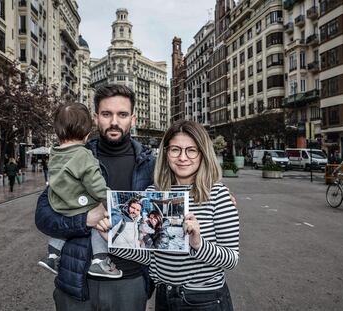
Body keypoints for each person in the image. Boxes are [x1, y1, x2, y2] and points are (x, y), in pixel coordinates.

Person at [35, 84, 155, 311]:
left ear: (133, 118)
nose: (114, 122)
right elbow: (43, 217)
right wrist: (85, 220)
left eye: (122, 114)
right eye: (107, 114)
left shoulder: (150, 163)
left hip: (130, 280)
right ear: (95, 118)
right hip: (77, 283)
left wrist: (215, 191)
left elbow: (180, 192)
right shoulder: (73, 156)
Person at [110, 120, 239, 311]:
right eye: (175, 150)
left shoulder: (217, 193)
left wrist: (197, 243)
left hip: (204, 299)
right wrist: (113, 240)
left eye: (191, 150)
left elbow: (231, 259)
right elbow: (151, 256)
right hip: (164, 296)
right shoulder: (153, 192)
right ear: (166, 153)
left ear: (202, 154)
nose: (183, 157)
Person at [37, 103, 121, 278]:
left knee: (64, 228)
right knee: (99, 224)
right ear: (87, 134)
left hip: (59, 204)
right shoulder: (84, 155)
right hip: (82, 206)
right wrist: (110, 200)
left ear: (58, 131)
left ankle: (52, 256)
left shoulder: (55, 153)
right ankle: (99, 261)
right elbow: (95, 185)